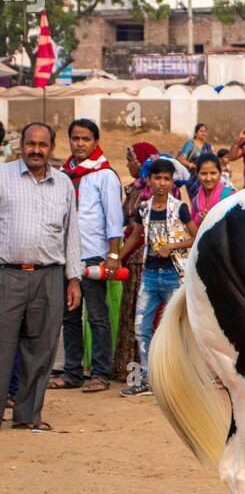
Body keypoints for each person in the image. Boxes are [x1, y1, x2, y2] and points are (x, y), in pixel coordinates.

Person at [0, 122, 81, 432]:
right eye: (30, 143)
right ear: (21, 145)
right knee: (2, 349)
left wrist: (73, 278)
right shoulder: (3, 176)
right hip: (7, 275)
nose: (36, 150)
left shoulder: (63, 184)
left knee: (41, 350)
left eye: (42, 145)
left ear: (51, 148)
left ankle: (28, 415)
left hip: (49, 278)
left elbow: (71, 233)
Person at [49, 119, 124, 394]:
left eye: (85, 139)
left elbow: (114, 219)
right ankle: (72, 372)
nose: (80, 144)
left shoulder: (105, 175)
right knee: (69, 316)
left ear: (95, 141)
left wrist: (113, 255)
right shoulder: (62, 174)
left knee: (97, 316)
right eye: (75, 138)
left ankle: (100, 373)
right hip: (66, 255)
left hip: (94, 255)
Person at [119, 157, 197, 394]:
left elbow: (195, 236)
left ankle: (180, 378)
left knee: (178, 328)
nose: (162, 183)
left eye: (166, 178)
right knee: (142, 327)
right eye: (158, 178)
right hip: (150, 275)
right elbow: (136, 235)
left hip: (174, 275)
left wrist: (171, 247)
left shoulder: (179, 208)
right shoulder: (145, 208)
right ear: (149, 181)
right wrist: (116, 258)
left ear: (172, 182)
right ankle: (147, 377)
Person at [112, 142, 159, 385]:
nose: (128, 163)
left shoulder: (153, 193)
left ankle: (144, 371)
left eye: (131, 159)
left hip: (142, 258)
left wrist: (117, 256)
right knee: (128, 313)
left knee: (141, 314)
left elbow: (141, 232)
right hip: (130, 258)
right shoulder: (133, 189)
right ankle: (126, 369)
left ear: (141, 162)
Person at [190, 151, 236, 229]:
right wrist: (199, 219)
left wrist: (213, 220)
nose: (208, 178)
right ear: (197, 174)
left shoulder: (231, 196)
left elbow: (239, 226)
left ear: (220, 173)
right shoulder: (195, 202)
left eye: (213, 173)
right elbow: (192, 230)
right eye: (204, 173)